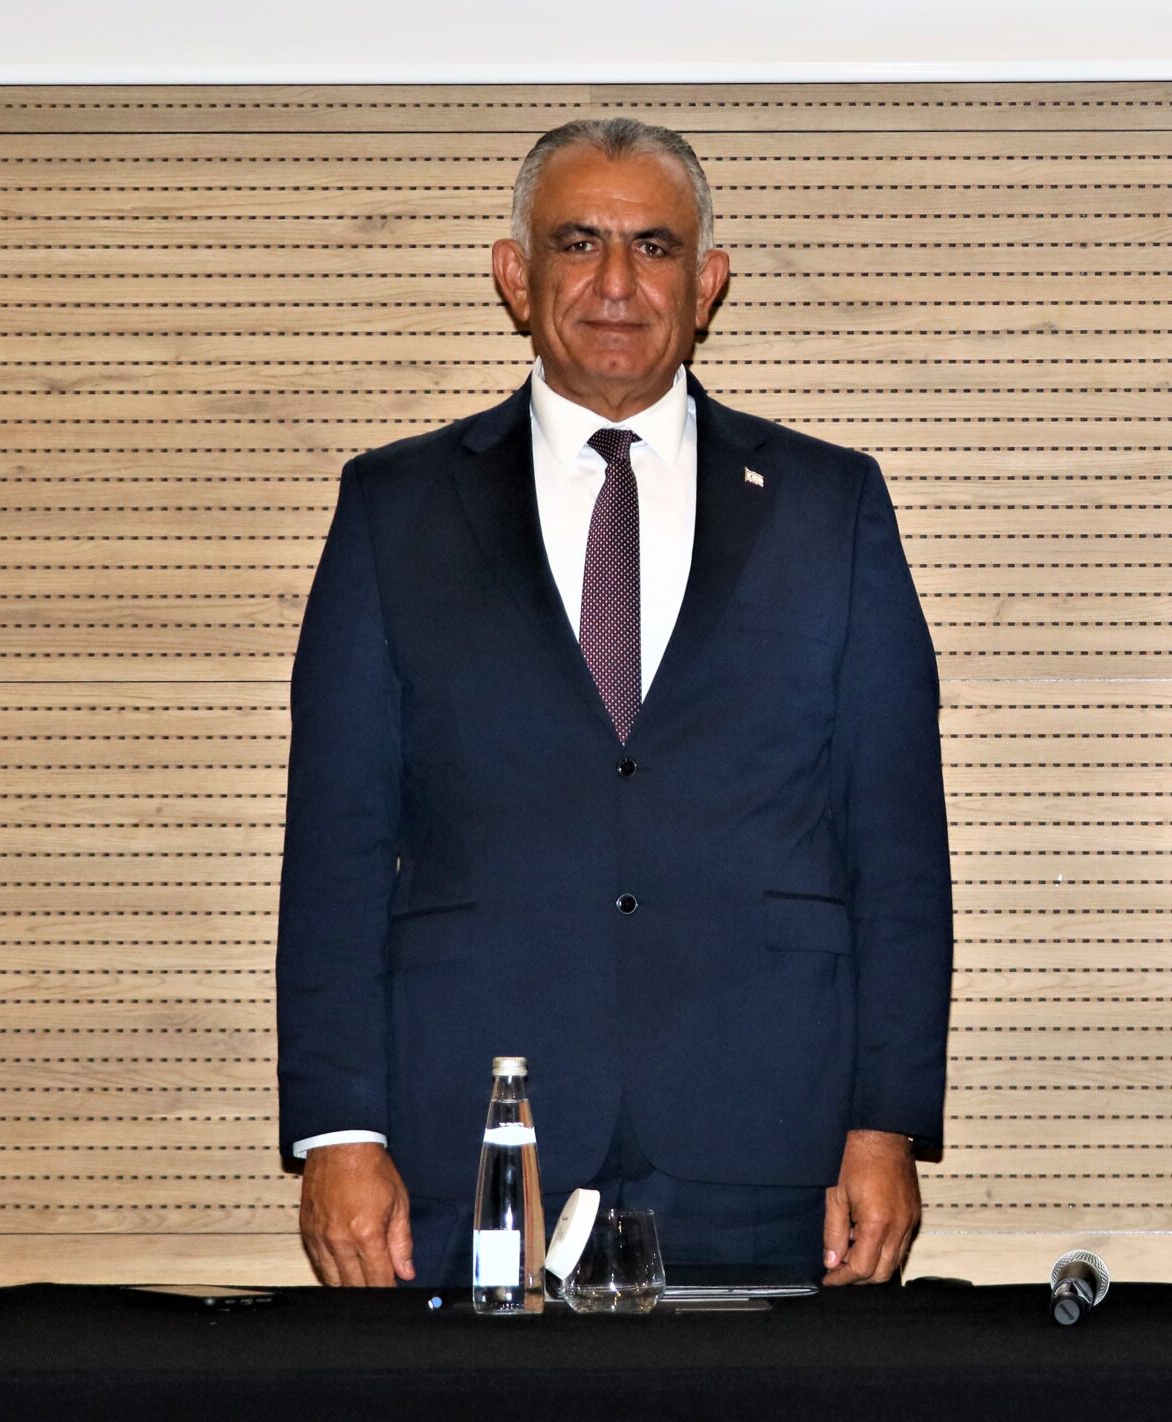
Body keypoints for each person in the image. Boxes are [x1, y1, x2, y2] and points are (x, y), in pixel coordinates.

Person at [276, 117, 952, 1290]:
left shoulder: (829, 506)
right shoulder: (395, 509)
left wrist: (884, 1121)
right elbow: (336, 842)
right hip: (473, 1144)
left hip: (770, 1144)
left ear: (708, 282)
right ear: (515, 274)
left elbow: (894, 842)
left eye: (655, 247)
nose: (616, 283)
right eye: (578, 242)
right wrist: (339, 1130)